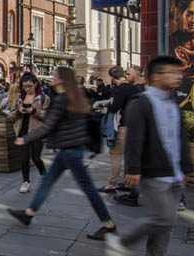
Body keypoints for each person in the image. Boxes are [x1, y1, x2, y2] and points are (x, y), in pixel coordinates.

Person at [7, 66, 116, 242]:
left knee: (88, 189)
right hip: (72, 149)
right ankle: (29, 213)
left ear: (61, 79)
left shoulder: (60, 100)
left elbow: (48, 126)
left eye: (56, 76)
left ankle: (108, 225)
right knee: (47, 182)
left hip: (69, 151)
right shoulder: (77, 97)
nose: (53, 77)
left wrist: (25, 139)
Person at [104, 56, 191, 256]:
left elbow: (180, 137)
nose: (179, 76)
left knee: (166, 225)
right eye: (172, 72)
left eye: (179, 72)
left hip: (174, 172)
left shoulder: (172, 101)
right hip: (153, 171)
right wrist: (133, 169)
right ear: (157, 76)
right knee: (162, 219)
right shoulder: (141, 102)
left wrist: (185, 167)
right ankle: (122, 241)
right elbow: (134, 138)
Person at [104, 65, 144, 196]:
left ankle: (111, 184)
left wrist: (108, 105)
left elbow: (115, 107)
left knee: (115, 154)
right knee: (128, 155)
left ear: (111, 77)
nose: (127, 75)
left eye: (129, 73)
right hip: (135, 125)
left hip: (124, 126)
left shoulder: (121, 89)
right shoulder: (136, 89)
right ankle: (129, 184)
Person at [7, 73, 48, 194]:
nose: (27, 89)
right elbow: (11, 115)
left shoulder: (43, 98)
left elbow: (47, 115)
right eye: (25, 86)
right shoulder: (20, 98)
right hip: (23, 131)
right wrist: (19, 112)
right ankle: (25, 181)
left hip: (36, 131)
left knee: (36, 157)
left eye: (30, 86)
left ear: (35, 84)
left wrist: (34, 111)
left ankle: (45, 177)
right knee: (24, 158)